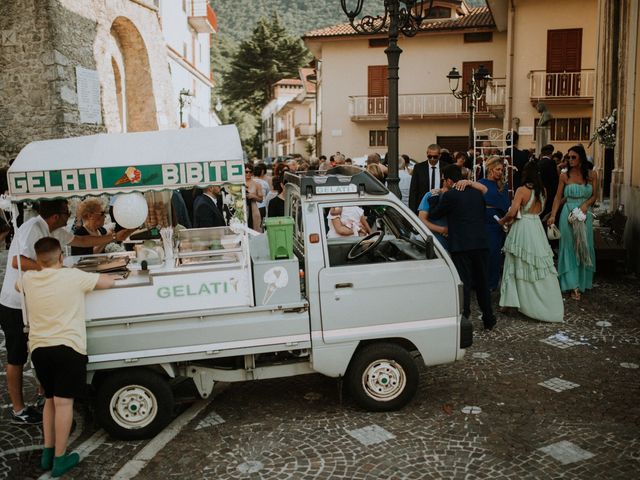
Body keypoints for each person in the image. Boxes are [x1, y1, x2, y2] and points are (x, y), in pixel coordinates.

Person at [0, 199, 131, 425]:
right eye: (66, 212)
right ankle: (19, 410)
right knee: (16, 357)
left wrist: (112, 237)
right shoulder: (33, 228)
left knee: (39, 347)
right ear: (55, 217)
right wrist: (55, 269)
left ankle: (45, 395)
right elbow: (16, 261)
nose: (70, 215)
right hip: (15, 303)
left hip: (36, 300)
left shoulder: (56, 230)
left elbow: (80, 239)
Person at [18, 237, 115, 476]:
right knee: (64, 403)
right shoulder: (73, 276)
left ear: (38, 259)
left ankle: (47, 453)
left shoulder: (28, 279)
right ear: (61, 256)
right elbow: (107, 282)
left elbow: (17, 286)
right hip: (68, 347)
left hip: (40, 349)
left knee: (50, 401)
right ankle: (61, 459)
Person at [430, 165, 497, 330]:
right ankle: (488, 318)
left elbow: (434, 214)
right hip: (480, 242)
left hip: (461, 244)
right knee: (482, 282)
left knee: (464, 283)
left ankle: (465, 318)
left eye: (444, 179)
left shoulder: (450, 195)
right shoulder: (477, 194)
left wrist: (435, 198)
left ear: (450, 180)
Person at [497, 162, 564, 322]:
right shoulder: (543, 191)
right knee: (538, 264)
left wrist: (502, 221)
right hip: (536, 227)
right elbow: (540, 210)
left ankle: (509, 302)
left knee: (515, 262)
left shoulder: (521, 190)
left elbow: (513, 212)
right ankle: (546, 303)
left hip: (522, 228)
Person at [547, 144, 597, 300]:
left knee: (583, 246)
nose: (570, 160)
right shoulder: (564, 175)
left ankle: (582, 283)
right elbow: (557, 197)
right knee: (569, 247)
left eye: (573, 157)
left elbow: (595, 196)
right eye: (568, 157)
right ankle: (572, 285)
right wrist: (553, 215)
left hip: (584, 215)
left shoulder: (592, 174)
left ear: (581, 158)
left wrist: (585, 205)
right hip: (567, 215)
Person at [418, 178, 488, 250]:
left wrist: (469, 182)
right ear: (447, 180)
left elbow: (484, 189)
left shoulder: (461, 195)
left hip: (456, 243)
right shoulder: (431, 194)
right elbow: (421, 220)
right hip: (436, 243)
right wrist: (442, 230)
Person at [479, 156, 511, 291]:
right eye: (498, 169)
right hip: (483, 221)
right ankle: (480, 282)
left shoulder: (503, 186)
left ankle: (492, 283)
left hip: (497, 222)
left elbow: (506, 205)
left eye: (501, 170)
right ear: (490, 169)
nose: (500, 172)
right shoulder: (481, 183)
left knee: (494, 253)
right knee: (482, 253)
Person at [409, 144, 443, 214]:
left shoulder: (446, 167)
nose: (432, 159)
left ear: (440, 155)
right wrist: (413, 211)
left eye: (435, 157)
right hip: (423, 206)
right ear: (427, 154)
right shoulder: (419, 167)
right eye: (430, 156)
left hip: (441, 205)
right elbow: (413, 190)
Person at [538, 144, 559, 222]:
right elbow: (554, 180)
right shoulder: (551, 163)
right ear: (551, 154)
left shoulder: (538, 163)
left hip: (540, 192)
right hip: (550, 193)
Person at [244, 164, 263, 232]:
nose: (248, 173)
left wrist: (253, 196)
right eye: (246, 172)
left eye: (250, 172)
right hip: (242, 209)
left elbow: (261, 200)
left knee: (255, 230)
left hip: (253, 209)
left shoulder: (257, 184)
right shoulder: (239, 184)